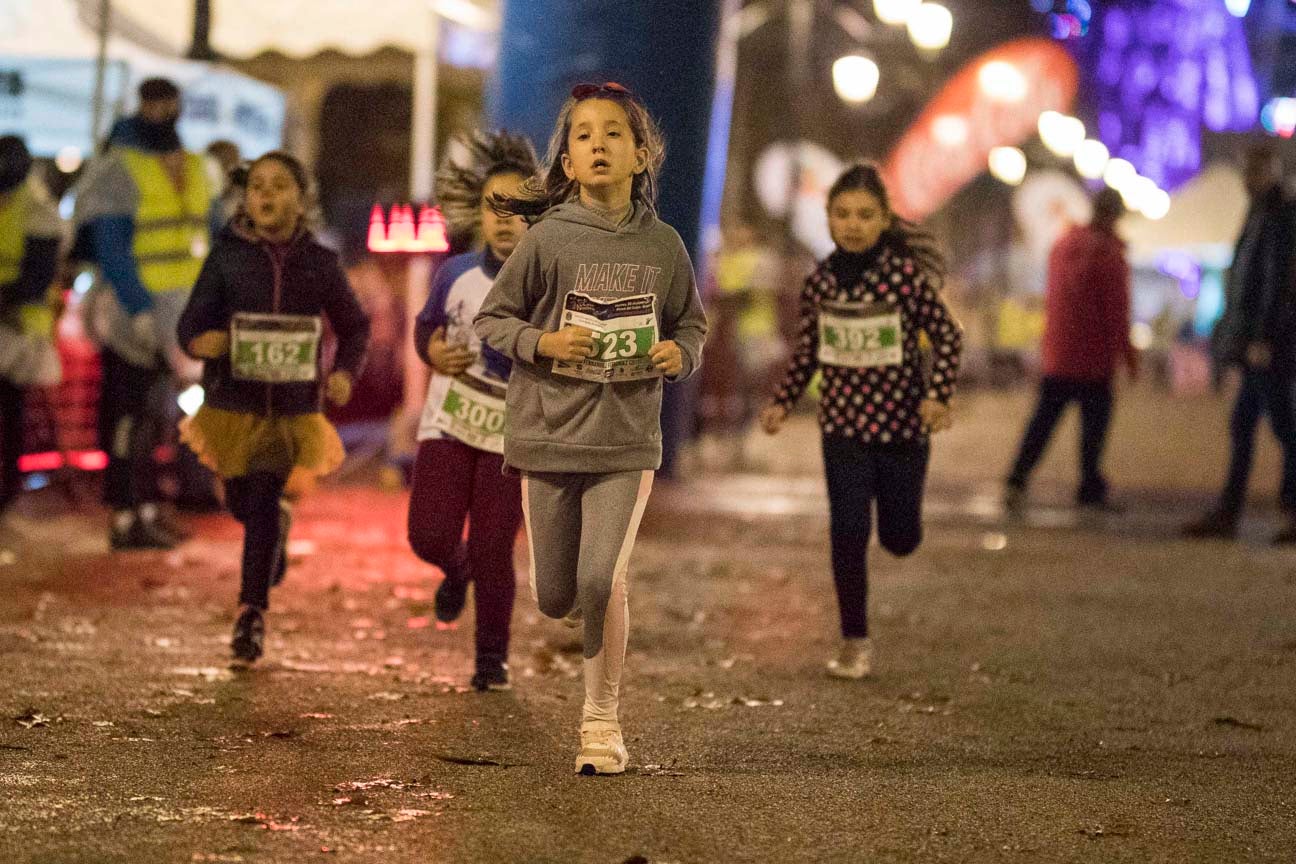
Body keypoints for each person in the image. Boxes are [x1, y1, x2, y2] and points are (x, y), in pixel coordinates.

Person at [474, 82, 707, 775]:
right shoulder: (544, 239)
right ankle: (581, 604)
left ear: (642, 155)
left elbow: (691, 323)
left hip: (625, 439)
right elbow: (494, 320)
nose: (598, 143)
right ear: (568, 163)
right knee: (557, 596)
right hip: (546, 434)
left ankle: (600, 724)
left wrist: (679, 352)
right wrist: (543, 345)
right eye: (582, 135)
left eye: (613, 133)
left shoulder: (664, 246)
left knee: (603, 577)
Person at [759, 162, 963, 680]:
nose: (852, 224)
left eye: (865, 215)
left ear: (885, 219)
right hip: (843, 431)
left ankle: (901, 531)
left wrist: (937, 397)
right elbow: (808, 352)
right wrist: (782, 401)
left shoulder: (904, 277)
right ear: (827, 218)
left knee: (899, 540)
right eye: (843, 214)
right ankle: (854, 641)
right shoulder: (820, 282)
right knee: (847, 532)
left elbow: (949, 335)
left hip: (901, 433)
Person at [176, 151, 369, 668]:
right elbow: (190, 327)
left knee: (260, 502)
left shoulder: (321, 264)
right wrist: (204, 343)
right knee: (241, 504)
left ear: (301, 199)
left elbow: (355, 326)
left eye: (279, 185)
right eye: (257, 185)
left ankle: (250, 615)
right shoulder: (225, 257)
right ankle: (273, 535)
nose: (265, 195)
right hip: (231, 406)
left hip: (291, 411)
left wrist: (345, 372)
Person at [407, 129, 538, 692]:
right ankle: (453, 569)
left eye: (517, 208)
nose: (504, 219)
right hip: (448, 423)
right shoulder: (454, 274)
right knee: (428, 536)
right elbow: (425, 330)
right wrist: (433, 351)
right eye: (493, 206)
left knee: (494, 548)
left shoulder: (548, 283)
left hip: (510, 436)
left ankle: (492, 660)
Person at [74, 77, 221, 549]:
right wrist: (136, 308)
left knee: (160, 417)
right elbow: (111, 246)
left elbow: (213, 237)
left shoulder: (199, 167)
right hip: (133, 317)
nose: (163, 112)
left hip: (178, 314)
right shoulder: (119, 167)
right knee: (127, 414)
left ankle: (150, 506)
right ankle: (125, 513)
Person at [1181, 146, 1296, 543]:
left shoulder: (1280, 215)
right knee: (1251, 423)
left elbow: (1277, 282)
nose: (1249, 176)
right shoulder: (1261, 213)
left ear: (1273, 170)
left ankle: (1245, 511)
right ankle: (1231, 511)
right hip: (1258, 341)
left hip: (1270, 343)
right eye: (1247, 168)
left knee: (1282, 425)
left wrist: (1263, 335)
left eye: (1257, 169)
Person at [1003, 187, 1138, 512]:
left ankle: (1017, 477)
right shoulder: (1109, 255)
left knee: (1044, 420)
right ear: (1115, 216)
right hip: (1094, 358)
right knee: (1094, 424)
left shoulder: (1063, 246)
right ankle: (1089, 485)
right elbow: (1116, 312)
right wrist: (1129, 358)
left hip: (1059, 354)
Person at [0, 136, 64, 514]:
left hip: (18, 330)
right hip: (14, 324)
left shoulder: (37, 209)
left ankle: (6, 487)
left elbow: (39, 275)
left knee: (10, 413)